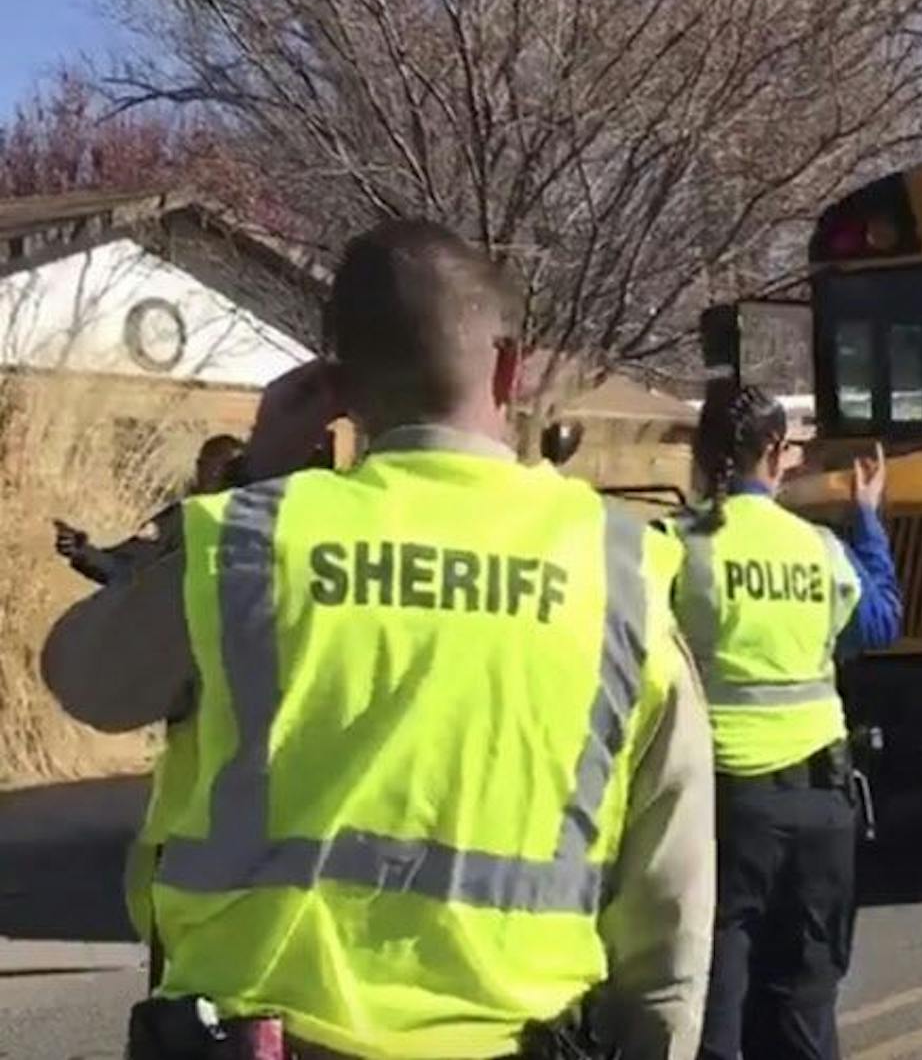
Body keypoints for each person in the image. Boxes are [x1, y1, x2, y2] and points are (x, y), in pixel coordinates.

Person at [40, 219, 716, 1060]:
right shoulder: (617, 565)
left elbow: (82, 676)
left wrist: (254, 473)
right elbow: (672, 884)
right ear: (509, 367)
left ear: (338, 384)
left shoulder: (251, 544)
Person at [671, 385, 901, 1060]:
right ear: (775, 452)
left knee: (715, 1011)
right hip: (820, 811)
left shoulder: (679, 547)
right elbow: (882, 620)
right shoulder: (819, 549)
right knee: (803, 1012)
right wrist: (868, 517)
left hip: (724, 811)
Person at [53, 434, 247, 585]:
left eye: (205, 465)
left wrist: (82, 551)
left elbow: (124, 570)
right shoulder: (265, 521)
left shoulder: (191, 516)